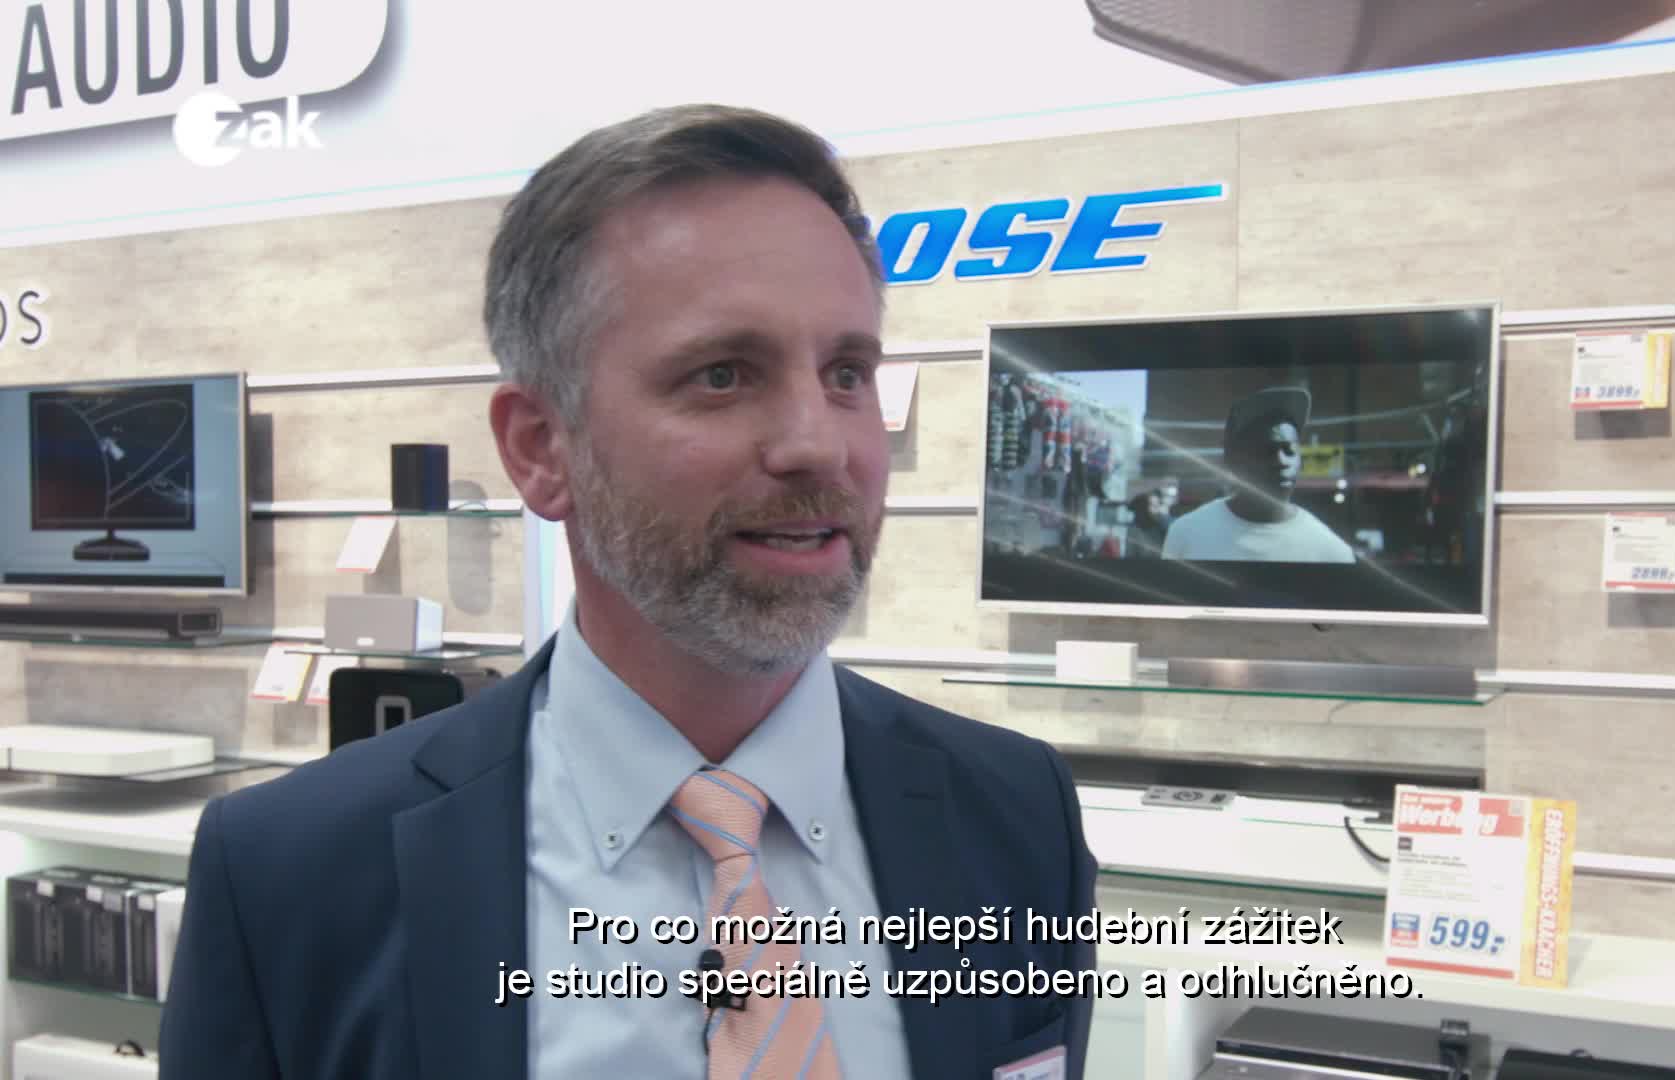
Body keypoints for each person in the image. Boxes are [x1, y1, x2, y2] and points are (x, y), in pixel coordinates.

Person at [159, 105, 1098, 1080]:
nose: (819, 443)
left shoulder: (1015, 812)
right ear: (541, 449)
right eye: (723, 375)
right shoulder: (292, 871)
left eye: (846, 372)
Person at [1161, 387, 1356, 563]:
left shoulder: (1332, 552)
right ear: (1232, 459)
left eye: (1289, 450)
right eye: (1266, 451)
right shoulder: (1186, 535)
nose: (1281, 461)